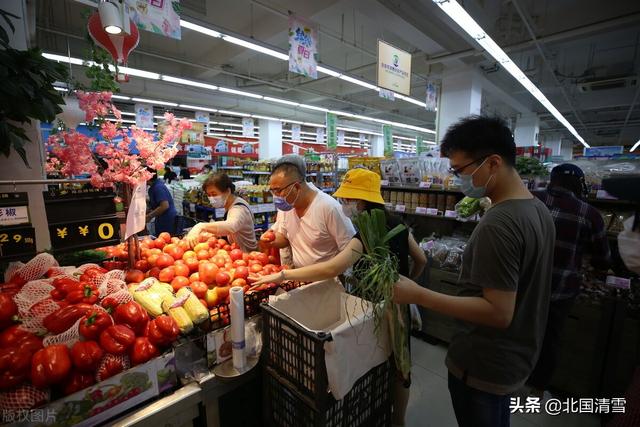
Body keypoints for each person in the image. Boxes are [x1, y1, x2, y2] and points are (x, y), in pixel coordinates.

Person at [392, 115, 555, 427]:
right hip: (515, 356)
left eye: (460, 170)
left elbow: (498, 312)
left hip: (483, 364)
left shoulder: (500, 222)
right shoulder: (537, 209)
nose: (456, 180)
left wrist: (419, 294)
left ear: (492, 163)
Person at [254, 167, 426, 426]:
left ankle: (380, 414)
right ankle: (397, 421)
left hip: (373, 308)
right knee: (401, 366)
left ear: (360, 201)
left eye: (347, 199)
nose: (344, 204)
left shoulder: (367, 233)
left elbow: (333, 267)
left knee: (376, 362)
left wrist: (283, 276)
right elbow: (421, 259)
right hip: (397, 305)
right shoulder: (398, 224)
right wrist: (407, 282)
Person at [527, 164, 610, 396]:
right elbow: (603, 259)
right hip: (560, 289)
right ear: (579, 185)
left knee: (519, 328)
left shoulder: (530, 199)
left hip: (523, 284)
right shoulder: (589, 213)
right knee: (550, 339)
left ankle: (510, 375)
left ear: (551, 180)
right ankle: (537, 388)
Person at [261, 154, 356, 267]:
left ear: (296, 187)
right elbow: (285, 237)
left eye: (278, 191)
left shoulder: (329, 208)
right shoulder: (287, 206)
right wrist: (271, 240)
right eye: (272, 191)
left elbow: (351, 252)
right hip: (301, 279)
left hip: (327, 281)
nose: (276, 196)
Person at [186, 172, 257, 253]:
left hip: (246, 255)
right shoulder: (231, 204)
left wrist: (201, 226)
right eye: (208, 195)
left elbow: (231, 226)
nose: (211, 198)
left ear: (227, 191)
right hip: (236, 252)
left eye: (214, 194)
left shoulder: (238, 208)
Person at [147, 168, 177, 235]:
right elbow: (156, 203)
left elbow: (164, 206)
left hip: (167, 219)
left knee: (166, 240)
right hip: (162, 218)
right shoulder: (153, 186)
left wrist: (149, 216)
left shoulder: (158, 187)